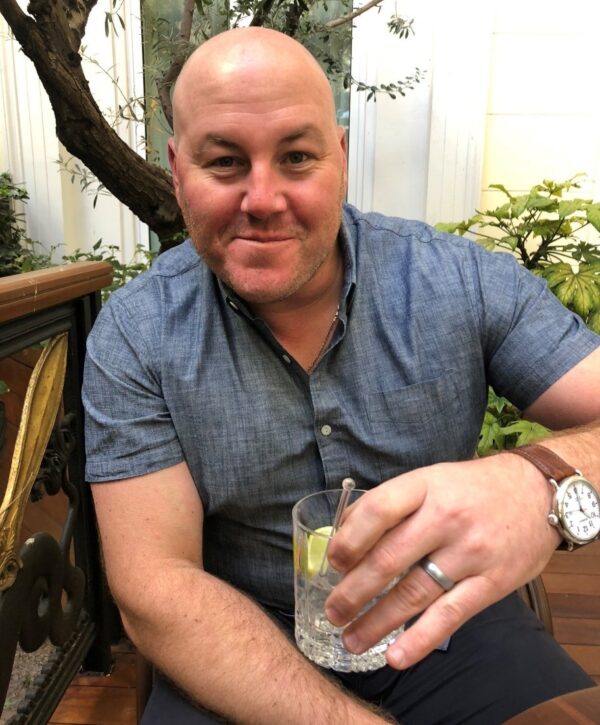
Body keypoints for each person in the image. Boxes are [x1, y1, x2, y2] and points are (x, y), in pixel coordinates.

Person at [83, 26, 600, 725]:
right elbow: (154, 583)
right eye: (225, 162)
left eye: (297, 156)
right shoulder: (135, 334)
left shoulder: (462, 281)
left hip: (450, 623)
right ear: (177, 170)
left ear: (342, 158)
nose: (262, 198)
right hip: (239, 639)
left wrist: (544, 476)